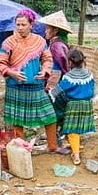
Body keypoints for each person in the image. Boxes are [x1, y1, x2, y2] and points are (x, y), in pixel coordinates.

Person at [0, 9, 60, 153]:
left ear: (31, 25)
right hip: (16, 86)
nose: (20, 28)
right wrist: (12, 73)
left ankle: (52, 146)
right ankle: (21, 149)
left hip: (37, 86)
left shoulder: (40, 41)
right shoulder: (8, 42)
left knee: (49, 116)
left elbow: (47, 59)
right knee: (17, 120)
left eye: (23, 24)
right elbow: (0, 63)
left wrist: (45, 71)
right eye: (17, 24)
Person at [48, 49, 96, 166]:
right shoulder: (89, 74)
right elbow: (94, 90)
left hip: (74, 105)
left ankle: (76, 155)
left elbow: (57, 91)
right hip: (87, 104)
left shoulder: (68, 77)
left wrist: (50, 91)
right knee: (78, 126)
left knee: (72, 130)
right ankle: (76, 144)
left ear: (69, 62)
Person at [38, 10, 73, 154]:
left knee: (55, 111)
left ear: (55, 30)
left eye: (47, 28)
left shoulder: (56, 46)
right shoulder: (57, 44)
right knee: (56, 111)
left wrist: (50, 87)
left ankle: (57, 142)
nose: (45, 31)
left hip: (56, 83)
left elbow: (60, 68)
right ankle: (58, 141)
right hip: (58, 81)